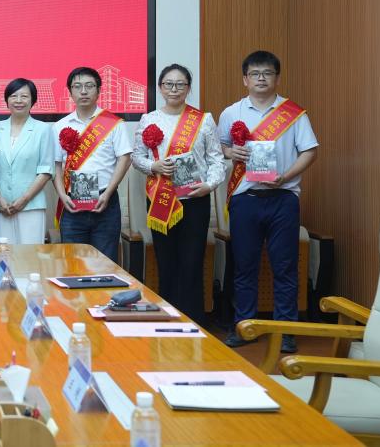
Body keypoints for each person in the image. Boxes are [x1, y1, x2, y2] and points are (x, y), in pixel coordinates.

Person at [218, 51, 317, 353]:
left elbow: (310, 151)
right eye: (255, 73)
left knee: (285, 267)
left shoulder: (294, 114)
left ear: (277, 77)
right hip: (245, 199)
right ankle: (244, 326)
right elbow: (219, 148)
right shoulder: (231, 113)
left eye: (267, 73)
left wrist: (286, 176)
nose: (261, 78)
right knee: (244, 266)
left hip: (283, 198)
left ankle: (286, 331)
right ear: (245, 79)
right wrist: (230, 153)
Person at [131, 64, 224, 323]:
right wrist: (154, 166)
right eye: (169, 84)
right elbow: (137, 157)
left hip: (195, 199)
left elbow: (216, 159)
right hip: (161, 199)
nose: (174, 89)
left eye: (180, 84)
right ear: (160, 88)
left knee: (192, 263)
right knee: (166, 262)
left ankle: (193, 322)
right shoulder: (149, 119)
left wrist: (209, 185)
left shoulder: (203, 119)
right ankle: (168, 319)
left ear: (188, 88)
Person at [52, 66, 132, 262]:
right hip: (71, 203)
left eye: (89, 86)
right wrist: (62, 195)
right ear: (70, 91)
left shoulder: (114, 123)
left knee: (105, 263)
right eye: (77, 86)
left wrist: (108, 193)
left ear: (99, 90)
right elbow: (55, 165)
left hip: (105, 202)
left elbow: (125, 158)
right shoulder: (60, 126)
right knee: (73, 263)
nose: (83, 91)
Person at [0, 78, 54, 245]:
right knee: (4, 254)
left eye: (24, 96)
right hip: (1, 207)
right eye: (13, 96)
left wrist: (24, 199)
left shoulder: (43, 129)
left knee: (30, 254)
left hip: (31, 205)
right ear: (6, 100)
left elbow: (46, 170)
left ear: (33, 100)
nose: (18, 101)